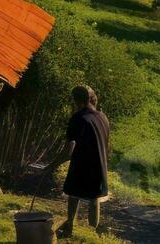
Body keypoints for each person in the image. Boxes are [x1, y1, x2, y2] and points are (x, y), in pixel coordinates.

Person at [59, 85, 111, 238]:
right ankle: (91, 235)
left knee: (73, 194)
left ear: (77, 101)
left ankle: (69, 226)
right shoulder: (103, 117)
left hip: (81, 164)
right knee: (94, 198)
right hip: (99, 165)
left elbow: (68, 150)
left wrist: (50, 166)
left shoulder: (78, 118)